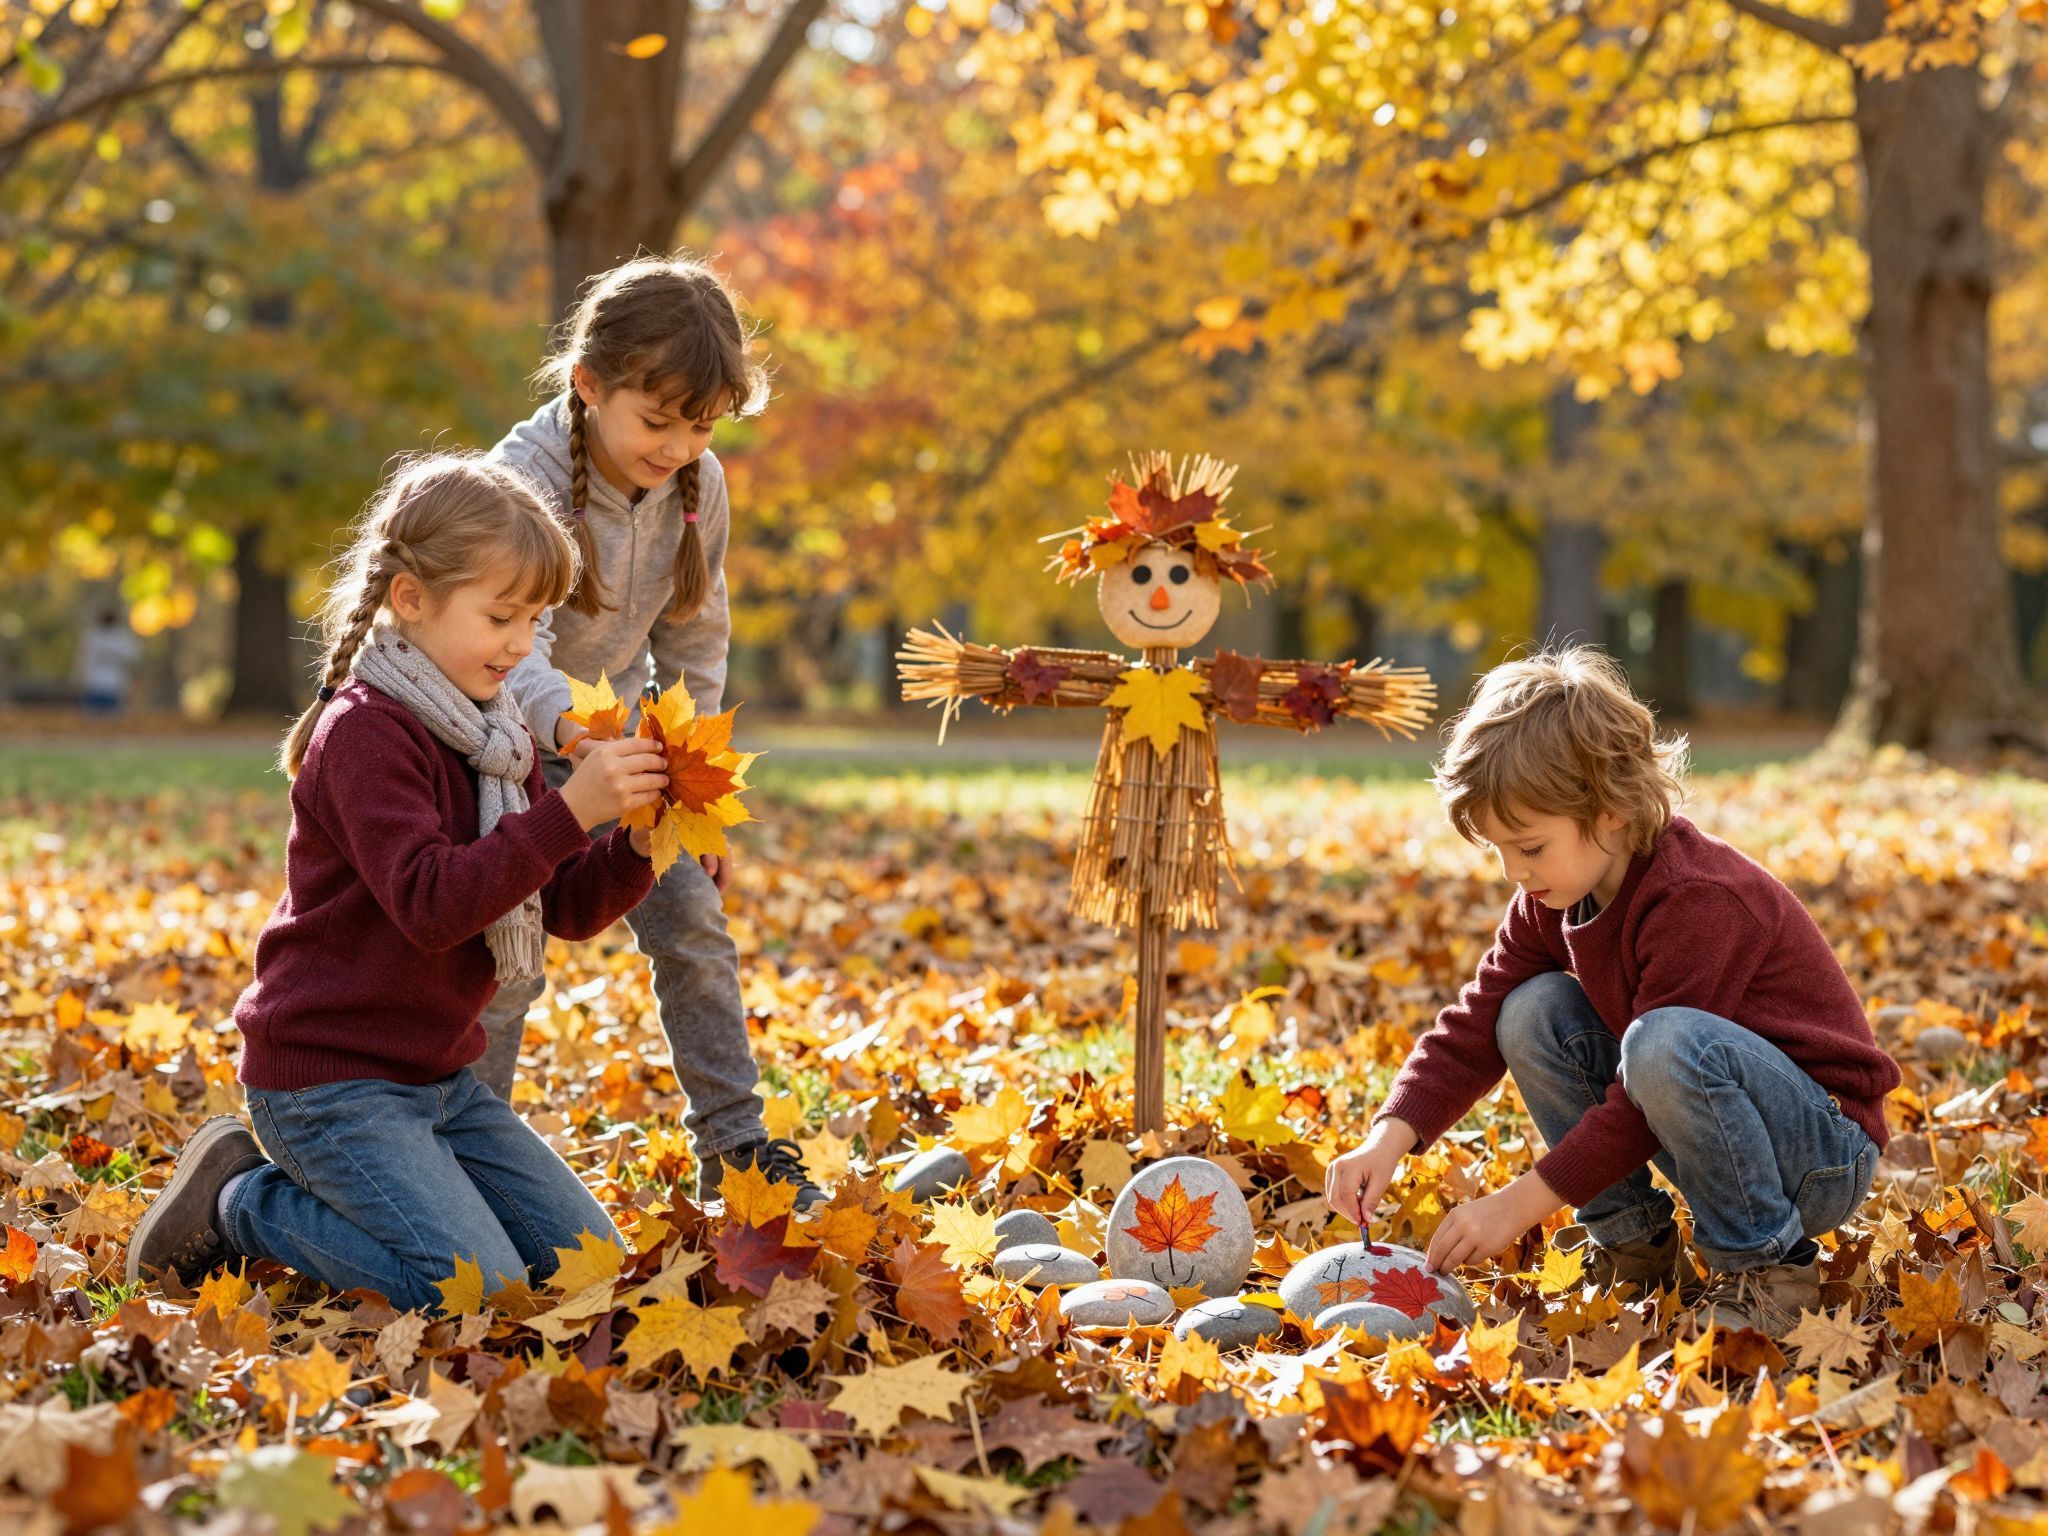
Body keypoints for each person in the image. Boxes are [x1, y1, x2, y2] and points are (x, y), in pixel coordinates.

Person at [127, 453, 670, 1310]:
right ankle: (239, 1201)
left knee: (591, 1268)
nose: (521, 644)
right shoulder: (364, 733)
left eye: (535, 620)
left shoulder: (499, 739)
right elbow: (432, 904)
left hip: (438, 1078)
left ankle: (399, 1197)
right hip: (327, 1084)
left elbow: (557, 905)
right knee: (476, 1293)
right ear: (410, 598)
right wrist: (570, 811)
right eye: (501, 616)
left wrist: (636, 844)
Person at [1324, 647, 1902, 1336]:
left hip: (1819, 1152)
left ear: (1611, 811)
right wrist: (1387, 1139)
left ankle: (1767, 1270)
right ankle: (1636, 1249)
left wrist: (1517, 1205)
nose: (1512, 872)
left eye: (1529, 847)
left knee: (1662, 1042)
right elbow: (1475, 1021)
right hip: (1709, 1131)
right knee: (1527, 1009)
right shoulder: (1554, 896)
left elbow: (1642, 1090)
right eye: (1498, 849)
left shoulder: (1697, 898)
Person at [480, 253, 820, 1209]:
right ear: (590, 384)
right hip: (506, 748)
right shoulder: (522, 483)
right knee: (510, 956)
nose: (678, 446)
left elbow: (695, 639)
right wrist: (577, 742)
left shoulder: (698, 487)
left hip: (630, 751)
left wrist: (694, 779)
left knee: (695, 925)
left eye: (701, 425)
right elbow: (517, 651)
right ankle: (473, 1139)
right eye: (659, 420)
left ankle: (736, 1146)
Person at [77, 607, 142, 714]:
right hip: (97, 685)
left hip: (112, 686)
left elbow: (133, 656)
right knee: (97, 716)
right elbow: (85, 660)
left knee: (110, 717)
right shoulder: (93, 636)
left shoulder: (119, 637)